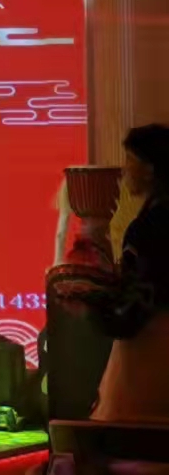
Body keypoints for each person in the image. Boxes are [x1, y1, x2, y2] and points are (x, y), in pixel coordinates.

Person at [89, 124, 169, 422]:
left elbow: (142, 291)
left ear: (149, 169)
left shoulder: (151, 225)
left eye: (130, 161)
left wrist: (100, 304)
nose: (125, 171)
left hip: (152, 343)